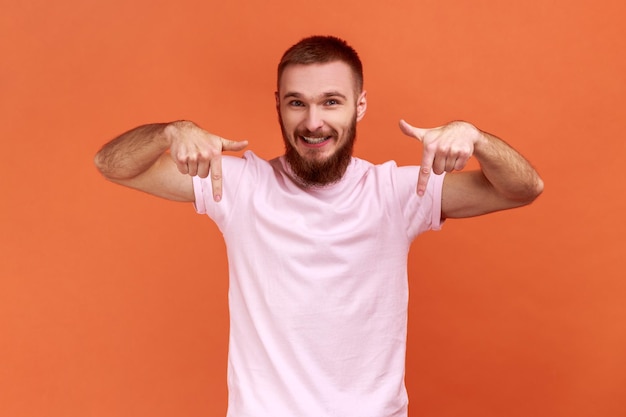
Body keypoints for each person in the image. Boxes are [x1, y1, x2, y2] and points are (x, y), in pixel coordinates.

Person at [94, 35, 543, 417]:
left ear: (359, 106)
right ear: (278, 106)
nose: (313, 122)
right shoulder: (236, 185)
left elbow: (522, 189)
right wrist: (171, 132)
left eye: (331, 102)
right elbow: (114, 165)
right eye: (297, 103)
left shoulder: (397, 192)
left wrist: (477, 138)